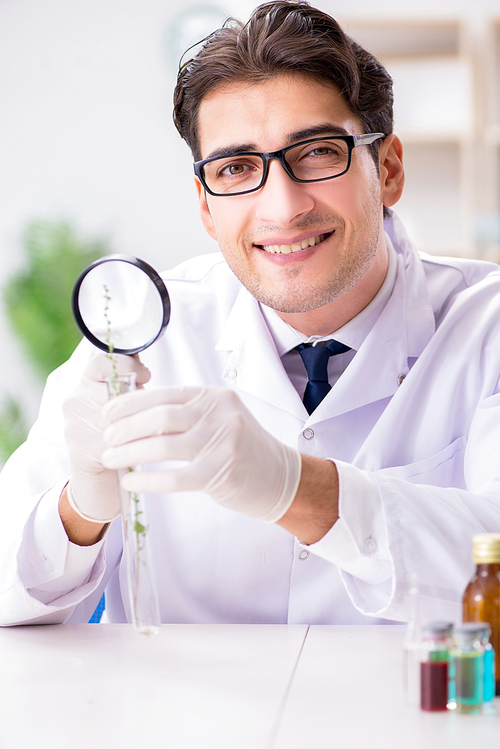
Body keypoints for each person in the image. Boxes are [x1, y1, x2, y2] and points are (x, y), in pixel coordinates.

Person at [1, 0, 500, 627]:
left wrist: (304, 491)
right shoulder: (144, 332)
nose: (283, 207)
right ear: (207, 207)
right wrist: (80, 509)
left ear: (390, 167)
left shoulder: (488, 327)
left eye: (317, 152)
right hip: (187, 725)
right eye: (237, 168)